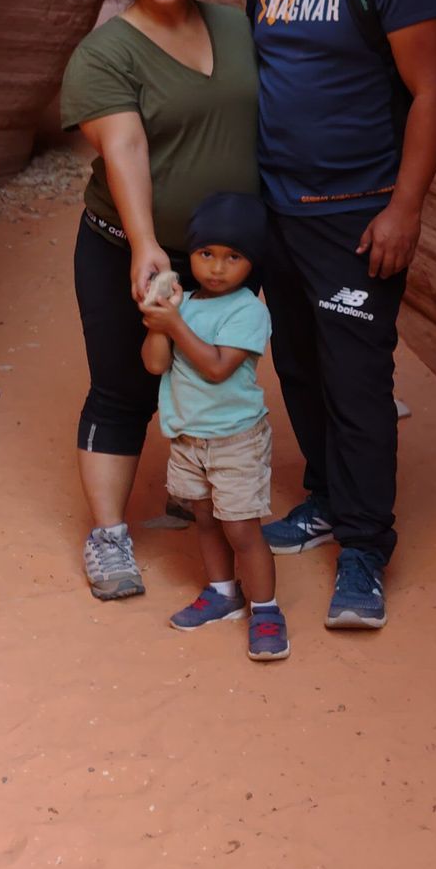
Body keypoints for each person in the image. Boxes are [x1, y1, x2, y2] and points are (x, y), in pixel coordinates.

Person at [247, 0, 436, 632]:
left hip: (357, 214)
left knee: (358, 379)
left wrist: (404, 209)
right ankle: (329, 500)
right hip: (280, 209)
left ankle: (365, 547)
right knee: (298, 362)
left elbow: (430, 93)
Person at [57, 0, 258, 602]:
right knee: (123, 386)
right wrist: (147, 244)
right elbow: (125, 144)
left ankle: (190, 490)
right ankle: (109, 535)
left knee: (208, 381)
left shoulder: (235, 27)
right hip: (127, 247)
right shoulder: (106, 52)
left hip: (223, 262)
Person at [141, 190, 287, 662]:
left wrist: (177, 324)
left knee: (241, 528)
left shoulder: (248, 310)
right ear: (192, 253)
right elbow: (154, 365)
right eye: (207, 254)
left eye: (233, 257)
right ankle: (223, 593)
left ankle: (266, 609)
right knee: (204, 519)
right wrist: (157, 323)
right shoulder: (183, 305)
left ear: (252, 264)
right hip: (187, 437)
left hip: (235, 440)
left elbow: (217, 368)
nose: (217, 268)